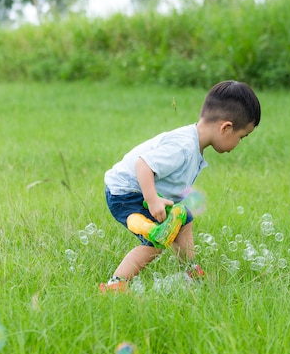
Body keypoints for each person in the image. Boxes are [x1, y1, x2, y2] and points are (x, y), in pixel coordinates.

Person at [100, 80, 261, 292]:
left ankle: (190, 271)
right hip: (127, 193)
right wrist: (152, 200)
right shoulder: (183, 147)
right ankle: (116, 285)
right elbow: (144, 165)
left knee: (184, 218)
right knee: (157, 240)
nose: (240, 143)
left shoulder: (194, 143)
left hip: (141, 190)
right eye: (242, 137)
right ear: (226, 127)